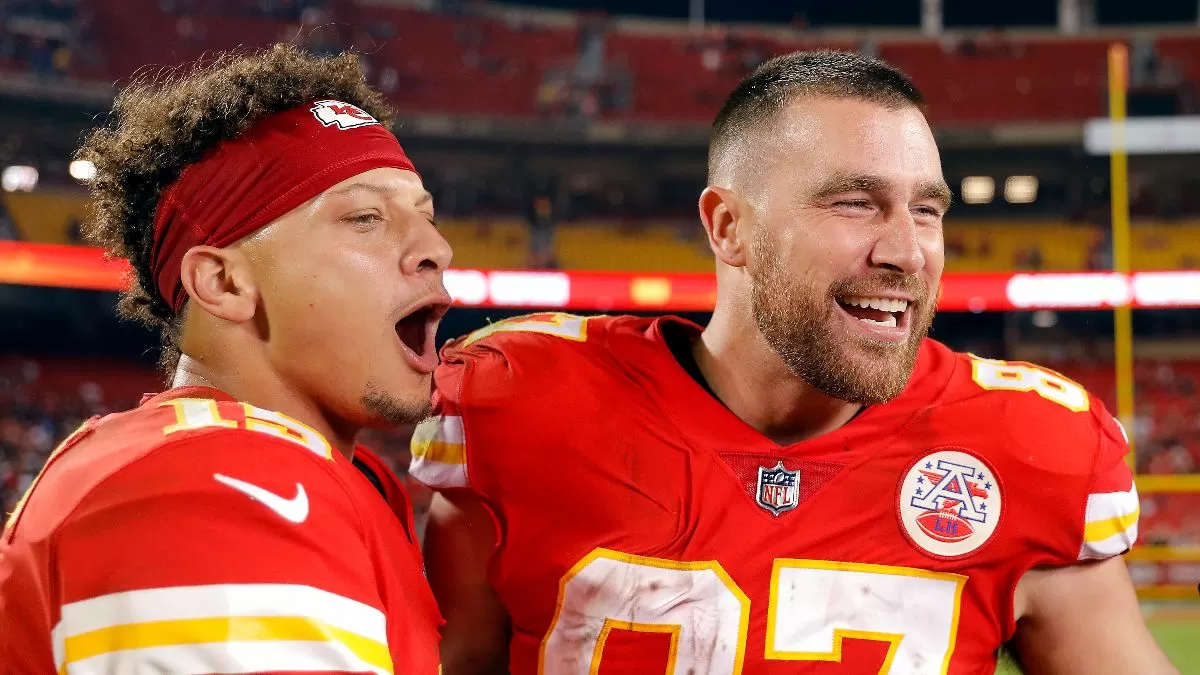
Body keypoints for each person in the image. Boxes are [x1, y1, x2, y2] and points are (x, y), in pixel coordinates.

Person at [411, 50, 1178, 675]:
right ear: (728, 227)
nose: (908, 251)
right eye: (855, 202)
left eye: (927, 209)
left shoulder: (1027, 447)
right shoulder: (525, 407)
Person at [0, 45, 452, 674]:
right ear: (224, 283)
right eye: (365, 218)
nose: (436, 248)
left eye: (426, 216)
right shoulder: (212, 482)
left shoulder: (329, 476)